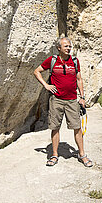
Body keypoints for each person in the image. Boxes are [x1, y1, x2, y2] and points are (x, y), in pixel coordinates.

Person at [33, 37, 93, 167]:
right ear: (59, 48)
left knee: (77, 127)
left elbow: (79, 79)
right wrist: (46, 85)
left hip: (72, 100)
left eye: (69, 46)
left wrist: (82, 97)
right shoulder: (52, 60)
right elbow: (36, 71)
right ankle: (54, 155)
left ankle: (82, 154)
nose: (68, 48)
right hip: (56, 100)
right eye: (65, 46)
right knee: (55, 128)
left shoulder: (75, 61)